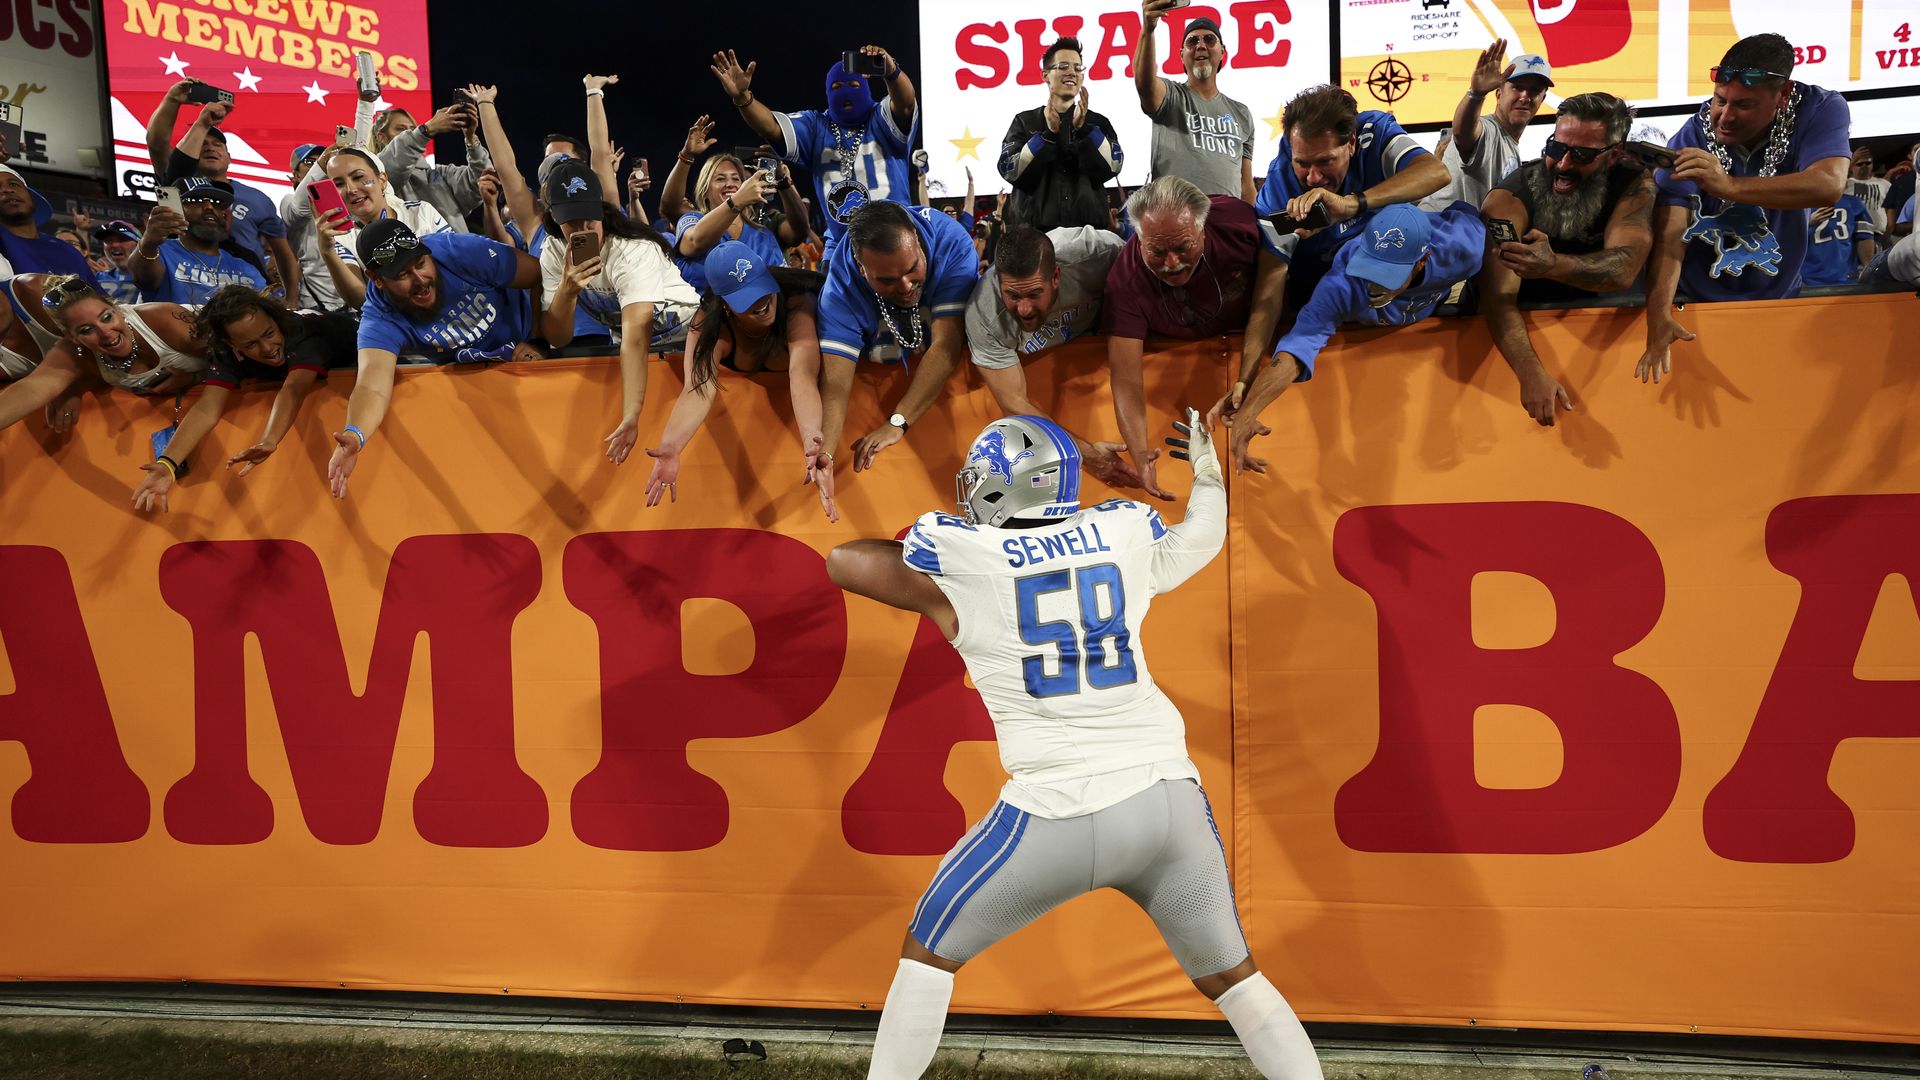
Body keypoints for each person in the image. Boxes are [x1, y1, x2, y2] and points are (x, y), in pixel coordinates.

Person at [828, 410, 1323, 1080]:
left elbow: (846, 561)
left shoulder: (968, 564)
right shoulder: (1118, 536)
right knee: (1236, 980)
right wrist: (1208, 477)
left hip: (1055, 811)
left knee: (927, 954)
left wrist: (945, 572)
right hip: (1168, 805)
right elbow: (1198, 541)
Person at [1639, 33, 1850, 382]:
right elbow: (1671, 231)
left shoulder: (1819, 108)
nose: (1724, 116)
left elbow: (1828, 185)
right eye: (1720, 100)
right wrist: (1658, 313)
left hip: (1781, 300)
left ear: (1782, 95)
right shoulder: (1694, 134)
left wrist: (1729, 186)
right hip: (1696, 304)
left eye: (1744, 105)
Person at [1219, 204, 1486, 473]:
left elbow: (1484, 222)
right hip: (1367, 318)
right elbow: (1296, 348)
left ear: (1421, 262)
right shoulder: (1342, 282)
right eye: (1371, 269)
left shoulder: (1464, 247)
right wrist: (1249, 410)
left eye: (1388, 276)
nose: (1374, 285)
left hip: (1437, 297)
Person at [326, 219, 542, 497]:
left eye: (420, 264)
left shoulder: (459, 252)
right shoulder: (380, 317)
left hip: (531, 359)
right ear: (376, 279)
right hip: (483, 388)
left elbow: (539, 275)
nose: (420, 280)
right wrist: (356, 434)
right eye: (402, 275)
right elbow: (371, 385)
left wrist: (539, 338)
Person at [1478, 93, 1655, 426]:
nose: (1563, 165)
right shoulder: (1510, 196)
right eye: (1556, 148)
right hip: (1531, 340)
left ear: (1613, 153)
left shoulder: (1633, 182)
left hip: (1614, 349)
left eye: (1582, 155)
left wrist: (1550, 265)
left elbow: (1624, 269)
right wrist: (1530, 373)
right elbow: (1495, 294)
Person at [1100, 177, 1270, 500]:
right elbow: (1126, 380)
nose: (1172, 263)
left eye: (1182, 247)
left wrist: (1254, 389)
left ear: (1203, 229)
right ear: (1138, 239)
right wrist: (1139, 453)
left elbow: (1275, 294)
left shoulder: (1239, 223)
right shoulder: (1123, 282)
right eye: (1157, 251)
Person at [643, 241, 838, 520]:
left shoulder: (796, 303)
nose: (761, 302)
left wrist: (810, 436)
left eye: (761, 287)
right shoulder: (709, 325)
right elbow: (697, 389)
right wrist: (672, 447)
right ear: (724, 306)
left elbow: (803, 375)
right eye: (746, 298)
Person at [538, 161, 699, 461]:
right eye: (571, 220)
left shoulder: (631, 249)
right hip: (643, 357)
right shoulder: (553, 252)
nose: (584, 228)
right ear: (553, 217)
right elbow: (557, 338)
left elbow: (636, 335)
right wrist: (567, 290)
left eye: (589, 217)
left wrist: (631, 414)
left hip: (686, 341)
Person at [815, 200, 980, 471]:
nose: (905, 286)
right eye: (887, 280)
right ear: (860, 266)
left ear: (915, 238)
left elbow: (946, 344)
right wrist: (827, 455)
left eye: (912, 268)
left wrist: (897, 422)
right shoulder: (839, 289)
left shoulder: (950, 242)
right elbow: (836, 385)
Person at [965, 223, 1134, 487]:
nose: (1023, 309)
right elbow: (1014, 404)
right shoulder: (983, 314)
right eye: (1012, 295)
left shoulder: (1098, 254)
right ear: (998, 282)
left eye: (1034, 294)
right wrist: (1089, 456)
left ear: (1056, 276)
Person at [1253, 85, 1448, 311]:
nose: (1313, 177)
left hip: (1398, 296)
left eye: (1326, 161)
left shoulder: (1375, 133)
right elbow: (1271, 279)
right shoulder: (1279, 185)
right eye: (1302, 163)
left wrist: (1351, 205)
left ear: (1352, 142)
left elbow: (1437, 172)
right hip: (1320, 303)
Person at [711, 45, 919, 256]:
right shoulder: (816, 125)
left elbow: (905, 104)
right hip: (841, 248)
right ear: (828, 92)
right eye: (836, 86)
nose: (846, 92)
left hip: (896, 241)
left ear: (866, 88)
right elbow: (771, 127)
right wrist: (743, 98)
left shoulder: (881, 117)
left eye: (855, 84)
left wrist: (891, 72)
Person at [0, 275, 210, 438]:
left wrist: (195, 379)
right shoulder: (75, 351)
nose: (106, 333)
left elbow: (239, 356)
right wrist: (75, 387)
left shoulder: (163, 321)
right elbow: (32, 388)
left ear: (117, 308)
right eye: (86, 330)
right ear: (72, 337)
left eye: (106, 317)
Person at [146, 84, 300, 297]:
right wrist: (172, 101)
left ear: (230, 157)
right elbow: (156, 143)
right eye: (203, 144)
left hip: (245, 284)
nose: (209, 147)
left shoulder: (258, 198)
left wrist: (292, 298)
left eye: (217, 144)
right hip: (187, 281)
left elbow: (283, 253)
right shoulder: (179, 184)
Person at [307, 146, 456, 310]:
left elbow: (456, 263)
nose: (351, 189)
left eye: (358, 177)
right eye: (339, 184)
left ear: (382, 180)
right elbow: (361, 301)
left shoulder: (421, 212)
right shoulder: (342, 238)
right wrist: (327, 251)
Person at [999, 37, 1124, 232]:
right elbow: (1010, 169)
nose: (1072, 72)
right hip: (1037, 239)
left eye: (1078, 68)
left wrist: (1085, 130)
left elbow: (1114, 165)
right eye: (1064, 66)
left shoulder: (1098, 123)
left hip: (1088, 237)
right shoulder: (1024, 122)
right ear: (1045, 75)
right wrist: (1047, 136)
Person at [1133, 2, 1254, 202]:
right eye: (1192, 41)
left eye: (1209, 39)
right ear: (1182, 55)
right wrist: (1148, 29)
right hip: (1175, 218)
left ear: (1222, 51)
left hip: (1226, 223)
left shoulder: (1242, 114)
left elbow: (1246, 184)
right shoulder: (1171, 96)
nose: (1200, 45)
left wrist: (1252, 228)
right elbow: (1144, 84)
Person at [1420, 42, 1552, 211]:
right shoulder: (1490, 131)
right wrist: (1476, 95)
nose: (1525, 96)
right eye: (1517, 88)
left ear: (1542, 99)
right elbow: (1463, 133)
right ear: (1499, 94)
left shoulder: (1510, 144)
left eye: (1534, 90)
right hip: (1437, 232)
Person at [671, 148, 809, 292]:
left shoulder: (763, 234)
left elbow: (778, 287)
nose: (730, 184)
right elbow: (695, 242)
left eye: (736, 179)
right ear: (705, 190)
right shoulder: (692, 220)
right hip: (704, 312)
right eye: (720, 179)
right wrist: (736, 201)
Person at [130, 179, 271, 306]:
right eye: (196, 200)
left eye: (216, 203)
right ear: (176, 210)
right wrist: (148, 243)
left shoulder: (245, 266)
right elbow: (143, 278)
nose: (209, 207)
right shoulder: (161, 252)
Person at [377, 100, 492, 232]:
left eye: (412, 130)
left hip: (458, 251)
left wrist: (471, 138)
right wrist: (425, 130)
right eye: (401, 129)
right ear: (382, 137)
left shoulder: (439, 174)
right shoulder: (378, 176)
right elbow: (394, 166)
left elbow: (483, 180)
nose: (408, 134)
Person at [0, 164, 94, 282]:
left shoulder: (68, 252)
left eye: (13, 184)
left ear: (32, 197)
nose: (7, 190)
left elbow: (99, 298)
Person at [1800, 193, 1877, 286]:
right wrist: (1806, 223)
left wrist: (1867, 266)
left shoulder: (1853, 203)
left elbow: (1864, 237)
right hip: (1807, 279)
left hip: (1847, 277)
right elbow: (1783, 238)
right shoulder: (1797, 205)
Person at [90, 220, 144, 304]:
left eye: (122, 239)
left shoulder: (153, 277)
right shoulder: (96, 278)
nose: (114, 245)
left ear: (139, 244)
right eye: (108, 240)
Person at [1846, 147, 1893, 235]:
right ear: (1852, 167)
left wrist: (1887, 234)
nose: (1864, 165)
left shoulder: (1885, 184)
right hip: (1852, 232)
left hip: (1878, 232)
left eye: (1868, 163)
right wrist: (1852, 161)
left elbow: (1891, 212)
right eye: (1859, 164)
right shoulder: (1846, 184)